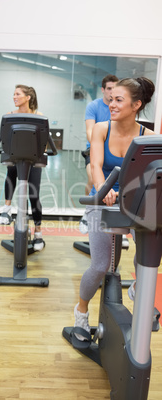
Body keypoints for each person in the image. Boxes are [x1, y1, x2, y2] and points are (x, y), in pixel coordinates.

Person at [74, 77, 155, 340]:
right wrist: (103, 188)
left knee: (149, 262)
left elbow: (151, 176)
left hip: (135, 203)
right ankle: (81, 311)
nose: (112, 103)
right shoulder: (101, 128)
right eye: (111, 99)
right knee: (100, 265)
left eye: (119, 100)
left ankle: (138, 291)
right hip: (103, 199)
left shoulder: (150, 137)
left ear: (136, 105)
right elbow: (96, 165)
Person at [0, 84, 45, 251]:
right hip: (15, 158)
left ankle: (38, 233)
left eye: (17, 94)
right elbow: (4, 141)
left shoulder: (39, 116)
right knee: (10, 170)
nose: (14, 97)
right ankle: (7, 209)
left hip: (33, 161)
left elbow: (44, 144)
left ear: (28, 97)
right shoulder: (9, 116)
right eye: (13, 94)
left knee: (34, 195)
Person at [80, 75, 120, 236]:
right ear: (103, 89)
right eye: (109, 88)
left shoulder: (119, 107)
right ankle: (88, 211)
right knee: (93, 177)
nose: (111, 92)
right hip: (95, 149)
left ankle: (117, 224)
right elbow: (90, 130)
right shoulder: (93, 106)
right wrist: (99, 141)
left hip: (116, 151)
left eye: (114, 89)